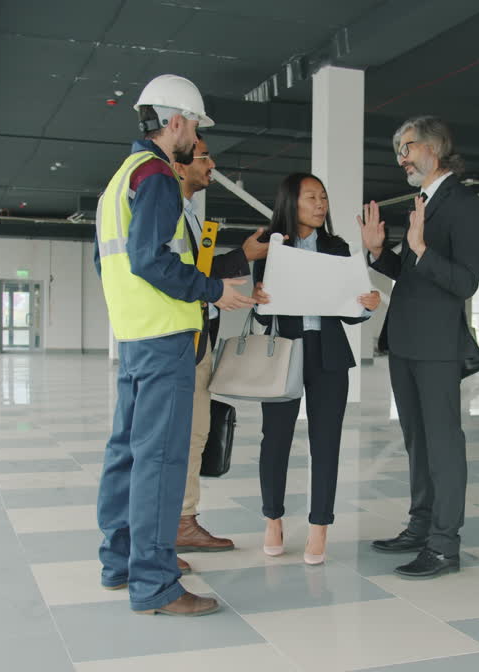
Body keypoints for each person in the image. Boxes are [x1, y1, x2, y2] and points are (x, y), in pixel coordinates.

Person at [93, 74, 257, 616]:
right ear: (177, 123)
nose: (195, 142)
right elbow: (149, 260)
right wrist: (214, 291)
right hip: (164, 337)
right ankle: (156, 584)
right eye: (195, 130)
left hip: (134, 334)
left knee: (125, 454)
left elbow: (111, 263)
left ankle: (119, 563)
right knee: (160, 461)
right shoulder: (159, 175)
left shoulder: (121, 179)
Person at [361, 116, 479, 579]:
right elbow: (414, 277)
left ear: (435, 147)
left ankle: (443, 545)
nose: (401, 158)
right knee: (416, 441)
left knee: (443, 443)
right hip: (406, 341)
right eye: (398, 149)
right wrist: (380, 254)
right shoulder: (423, 202)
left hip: (437, 345)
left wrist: (421, 248)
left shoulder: (466, 205)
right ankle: (420, 526)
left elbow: (465, 282)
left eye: (408, 147)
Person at [253, 173, 380, 564]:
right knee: (275, 440)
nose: (320, 203)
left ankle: (319, 527)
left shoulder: (337, 247)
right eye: (311, 197)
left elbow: (351, 309)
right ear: (291, 202)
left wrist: (367, 304)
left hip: (328, 356)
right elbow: (261, 315)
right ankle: (272, 519)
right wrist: (258, 300)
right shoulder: (270, 246)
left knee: (326, 443)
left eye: (323, 196)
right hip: (284, 353)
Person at [172, 135, 269, 553]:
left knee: (196, 433)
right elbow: (170, 273)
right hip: (178, 338)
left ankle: (183, 519)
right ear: (180, 163)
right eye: (205, 157)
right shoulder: (170, 209)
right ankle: (174, 524)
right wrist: (213, 292)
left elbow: (198, 267)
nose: (212, 165)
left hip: (198, 336)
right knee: (182, 435)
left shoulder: (190, 212)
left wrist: (242, 256)